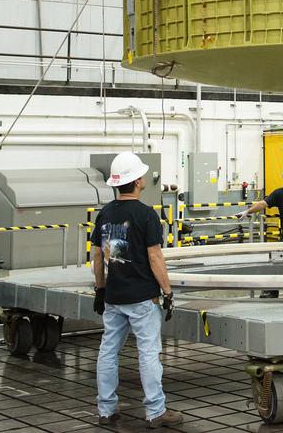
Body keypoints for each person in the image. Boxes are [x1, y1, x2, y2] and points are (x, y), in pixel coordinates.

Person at [92, 152, 181, 429]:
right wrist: (167, 291)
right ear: (138, 181)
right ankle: (156, 411)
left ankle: (106, 408)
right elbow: (155, 257)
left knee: (108, 351)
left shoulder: (105, 214)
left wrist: (100, 289)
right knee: (148, 353)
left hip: (114, 296)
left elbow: (99, 256)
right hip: (143, 297)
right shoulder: (146, 215)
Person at [241, 161, 283, 298]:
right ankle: (272, 290)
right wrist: (247, 211)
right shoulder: (280, 193)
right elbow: (263, 203)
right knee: (277, 262)